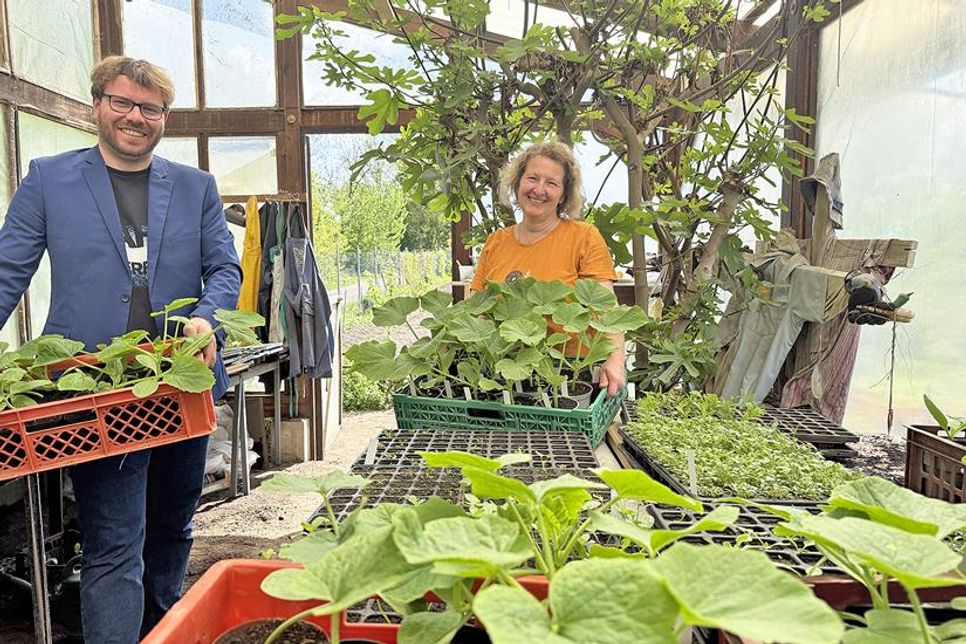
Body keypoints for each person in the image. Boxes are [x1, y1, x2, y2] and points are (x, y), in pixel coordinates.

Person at [0, 56, 241, 642]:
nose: (136, 117)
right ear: (97, 105)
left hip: (180, 383)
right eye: (123, 102)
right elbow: (7, 272)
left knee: (174, 524)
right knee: (113, 540)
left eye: (150, 108)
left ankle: (165, 629)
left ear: (165, 118)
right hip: (99, 389)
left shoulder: (195, 186)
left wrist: (206, 320)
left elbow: (224, 269)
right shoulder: (49, 179)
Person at [470, 140, 625, 396]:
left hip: (572, 376)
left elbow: (605, 308)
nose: (538, 190)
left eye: (551, 183)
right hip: (504, 376)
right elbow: (477, 312)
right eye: (532, 178)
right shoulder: (496, 242)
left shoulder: (583, 237)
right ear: (518, 182)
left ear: (564, 194)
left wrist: (615, 359)